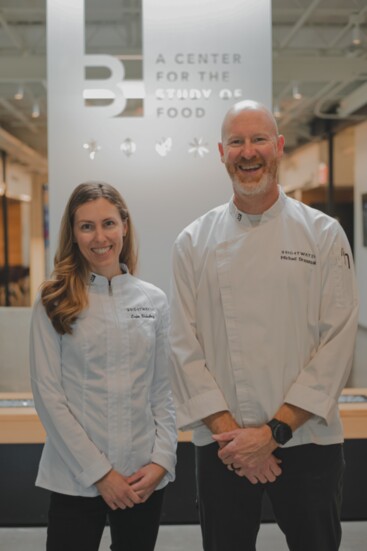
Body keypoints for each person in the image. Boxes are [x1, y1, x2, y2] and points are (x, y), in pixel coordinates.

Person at [169, 100, 359, 551]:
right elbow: (181, 346)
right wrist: (236, 438)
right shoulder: (193, 241)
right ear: (221, 151)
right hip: (225, 446)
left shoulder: (324, 234)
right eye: (236, 142)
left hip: (308, 439)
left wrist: (273, 433)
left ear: (278, 146)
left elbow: (337, 342)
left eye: (258, 140)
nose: (247, 151)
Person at [29, 182, 177, 551]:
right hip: (76, 477)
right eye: (87, 226)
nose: (100, 237)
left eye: (109, 223)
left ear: (124, 226)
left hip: (143, 476)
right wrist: (101, 474)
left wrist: (162, 460)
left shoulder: (153, 300)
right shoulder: (54, 299)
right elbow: (49, 396)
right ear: (73, 234)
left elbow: (163, 391)